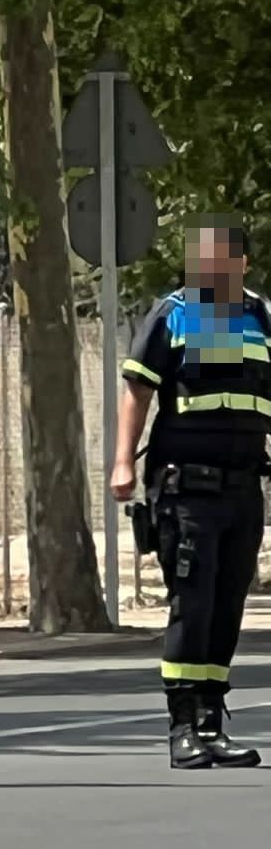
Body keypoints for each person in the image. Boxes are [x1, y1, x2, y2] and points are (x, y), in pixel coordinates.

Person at [110, 217, 269, 769]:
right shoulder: (175, 313)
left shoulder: (260, 317)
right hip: (188, 488)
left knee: (228, 609)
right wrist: (122, 463)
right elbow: (138, 390)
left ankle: (211, 722)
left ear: (242, 264)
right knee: (192, 606)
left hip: (244, 490)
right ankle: (182, 729)